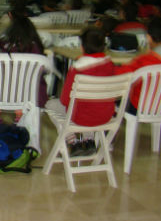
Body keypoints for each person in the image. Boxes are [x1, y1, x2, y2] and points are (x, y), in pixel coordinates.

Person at [45, 27, 117, 156]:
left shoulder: (78, 68)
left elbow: (65, 100)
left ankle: (70, 140)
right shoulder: (110, 64)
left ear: (82, 47)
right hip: (106, 115)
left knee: (50, 105)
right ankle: (88, 140)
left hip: (82, 118)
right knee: (89, 104)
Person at [0, 10, 48, 126]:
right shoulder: (36, 49)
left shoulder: (5, 47)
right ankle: (20, 114)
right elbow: (43, 71)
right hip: (30, 94)